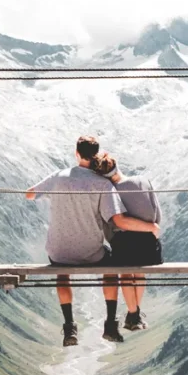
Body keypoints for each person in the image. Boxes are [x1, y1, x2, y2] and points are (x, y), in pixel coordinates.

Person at [26, 136, 160, 347]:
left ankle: (69, 326)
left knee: (61, 272)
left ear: (76, 153)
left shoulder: (58, 177)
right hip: (91, 252)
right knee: (112, 265)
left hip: (59, 251)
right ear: (96, 154)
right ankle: (110, 324)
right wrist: (150, 227)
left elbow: (30, 194)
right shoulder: (102, 184)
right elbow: (119, 220)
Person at [98, 156, 162, 331]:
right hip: (149, 247)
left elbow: (109, 224)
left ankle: (133, 314)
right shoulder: (143, 181)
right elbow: (157, 216)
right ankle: (134, 314)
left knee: (126, 273)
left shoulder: (109, 191)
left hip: (123, 245)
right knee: (139, 273)